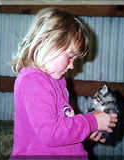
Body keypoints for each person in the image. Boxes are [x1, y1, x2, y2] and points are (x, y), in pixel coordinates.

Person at [10, 8, 118, 160]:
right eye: (70, 57)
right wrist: (91, 122)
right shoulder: (33, 82)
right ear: (49, 43)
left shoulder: (57, 80)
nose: (72, 66)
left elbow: (63, 124)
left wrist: (87, 130)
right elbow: (51, 134)